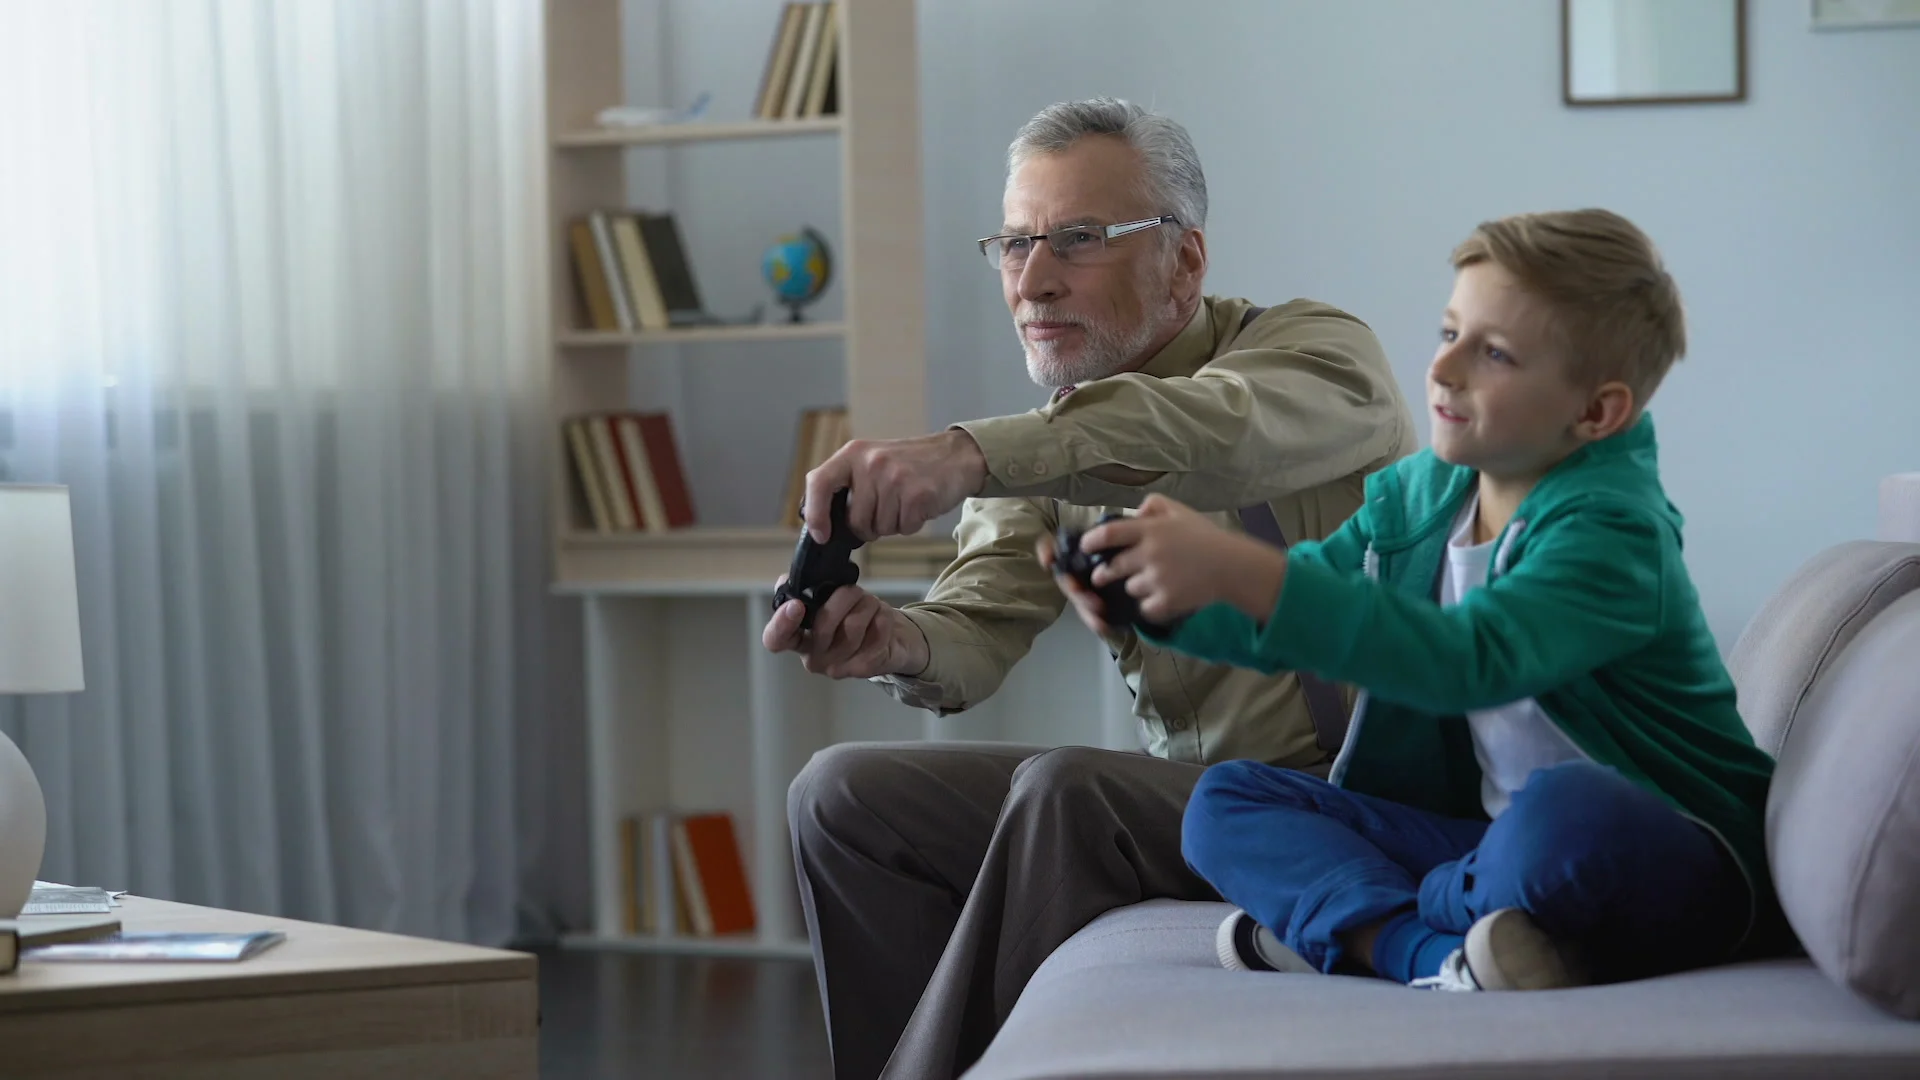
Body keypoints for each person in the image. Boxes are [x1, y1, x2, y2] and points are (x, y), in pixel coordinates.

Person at [764, 98, 1414, 1079]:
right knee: (842, 793)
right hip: (1203, 800)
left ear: (1185, 261)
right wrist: (897, 642)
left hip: (1370, 796)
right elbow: (973, 631)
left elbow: (1211, 434)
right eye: (1015, 244)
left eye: (1076, 239)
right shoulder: (1043, 450)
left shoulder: (1317, 356)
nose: (1031, 280)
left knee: (1069, 791)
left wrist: (972, 454)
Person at [1053, 208, 1784, 994]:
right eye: (1448, 334)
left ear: (1596, 412)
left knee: (1567, 814)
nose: (1443, 370)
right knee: (1225, 801)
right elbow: (1297, 620)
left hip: (1662, 854)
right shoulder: (1421, 496)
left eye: (1494, 353)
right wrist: (1166, 607)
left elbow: (1468, 659)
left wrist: (1242, 569)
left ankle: (1382, 921)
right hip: (1488, 842)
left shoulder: (1614, 531)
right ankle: (1431, 957)